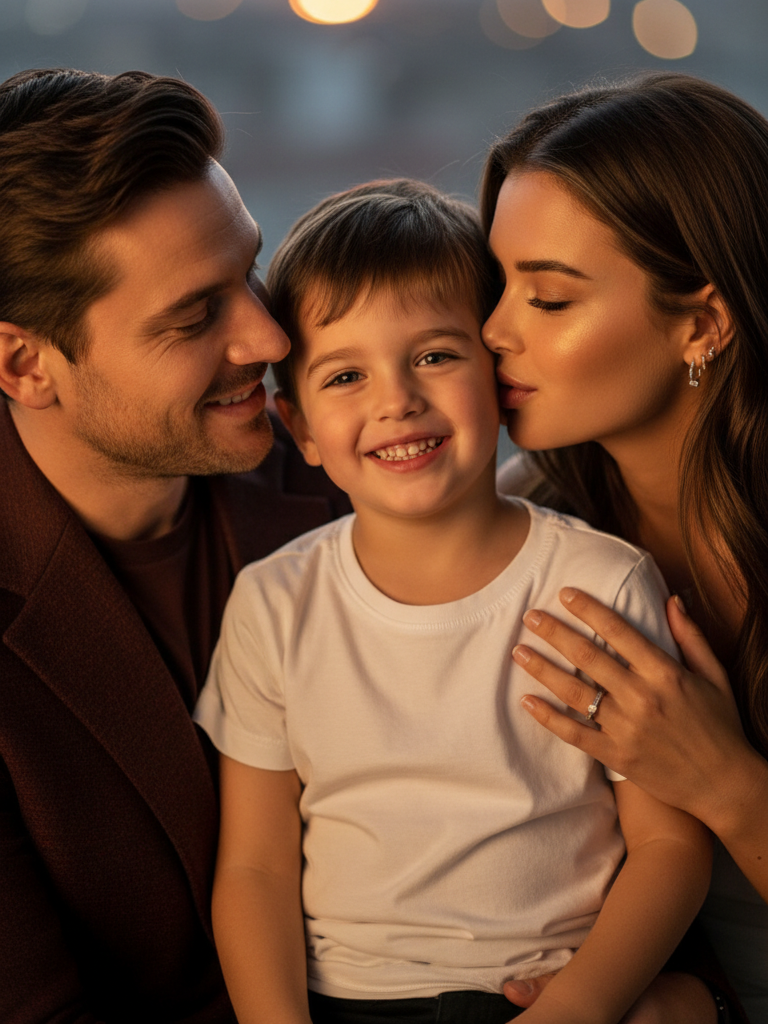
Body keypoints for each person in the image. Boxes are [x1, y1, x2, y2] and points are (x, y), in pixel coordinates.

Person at [194, 178, 718, 1024]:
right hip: (344, 1001)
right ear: (300, 430)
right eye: (346, 376)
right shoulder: (274, 604)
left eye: (436, 356)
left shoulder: (600, 582)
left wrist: (575, 1011)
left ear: (499, 378)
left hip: (550, 995)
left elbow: (670, 845)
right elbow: (254, 867)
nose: (396, 399)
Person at [0, 67, 348, 1024]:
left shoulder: (349, 469)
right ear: (26, 364)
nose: (270, 338)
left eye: (250, 270)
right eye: (196, 318)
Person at [480, 72, 768, 1024]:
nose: (492, 333)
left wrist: (728, 785)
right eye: (498, 288)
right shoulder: (525, 532)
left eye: (549, 301)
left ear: (703, 322)